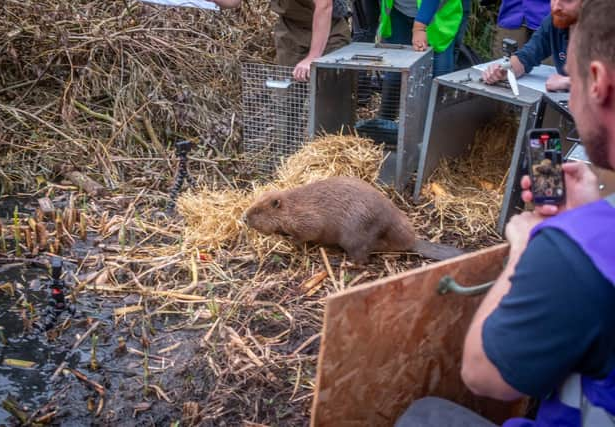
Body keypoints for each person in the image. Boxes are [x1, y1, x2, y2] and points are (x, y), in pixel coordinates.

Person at [396, 0, 615, 424]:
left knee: (424, 415)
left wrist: (525, 247)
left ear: (595, 82)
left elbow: (484, 376)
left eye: (569, 70)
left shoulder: (577, 251)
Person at [212, 0, 351, 81]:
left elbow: (324, 6)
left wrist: (313, 57)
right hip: (291, 31)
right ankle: (284, 132)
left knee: (328, 97)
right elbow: (233, 2)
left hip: (328, 32)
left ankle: (326, 131)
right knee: (285, 96)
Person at [482, 0, 580, 92]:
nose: (555, 7)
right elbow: (527, 55)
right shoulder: (553, 21)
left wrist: (568, 82)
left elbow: (593, 81)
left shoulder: (593, 29)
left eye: (567, 0)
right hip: (513, 15)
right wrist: (505, 69)